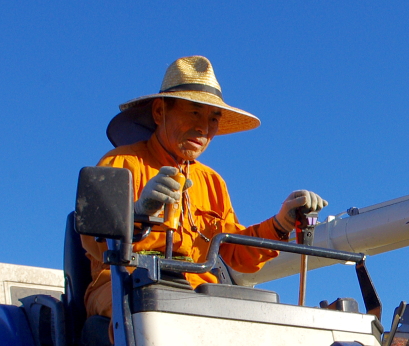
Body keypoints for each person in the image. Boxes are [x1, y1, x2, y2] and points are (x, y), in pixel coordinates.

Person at [82, 55, 325, 318]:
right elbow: (94, 243)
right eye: (194, 112)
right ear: (159, 112)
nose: (204, 127)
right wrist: (139, 213)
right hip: (123, 282)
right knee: (157, 304)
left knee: (262, 318)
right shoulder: (119, 162)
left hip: (195, 289)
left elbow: (234, 252)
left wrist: (281, 223)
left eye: (213, 118)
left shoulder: (212, 182)